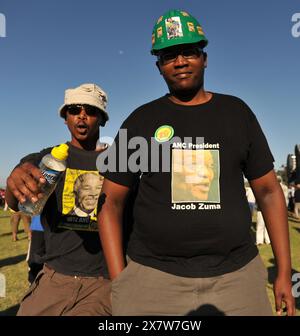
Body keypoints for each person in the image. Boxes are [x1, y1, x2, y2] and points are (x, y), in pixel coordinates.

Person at [97, 10, 295, 316]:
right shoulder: (140, 121)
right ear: (158, 67)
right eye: (168, 56)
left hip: (237, 278)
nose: (179, 62)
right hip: (153, 280)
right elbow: (109, 203)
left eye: (188, 52)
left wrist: (284, 270)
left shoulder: (237, 113)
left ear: (204, 58)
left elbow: (268, 192)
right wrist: (119, 279)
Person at [6, 83, 111, 316]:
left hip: (101, 281)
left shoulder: (117, 163)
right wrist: (14, 183)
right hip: (54, 277)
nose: (82, 116)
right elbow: (16, 203)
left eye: (91, 111)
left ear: (102, 119)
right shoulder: (44, 160)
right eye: (74, 109)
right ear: (65, 117)